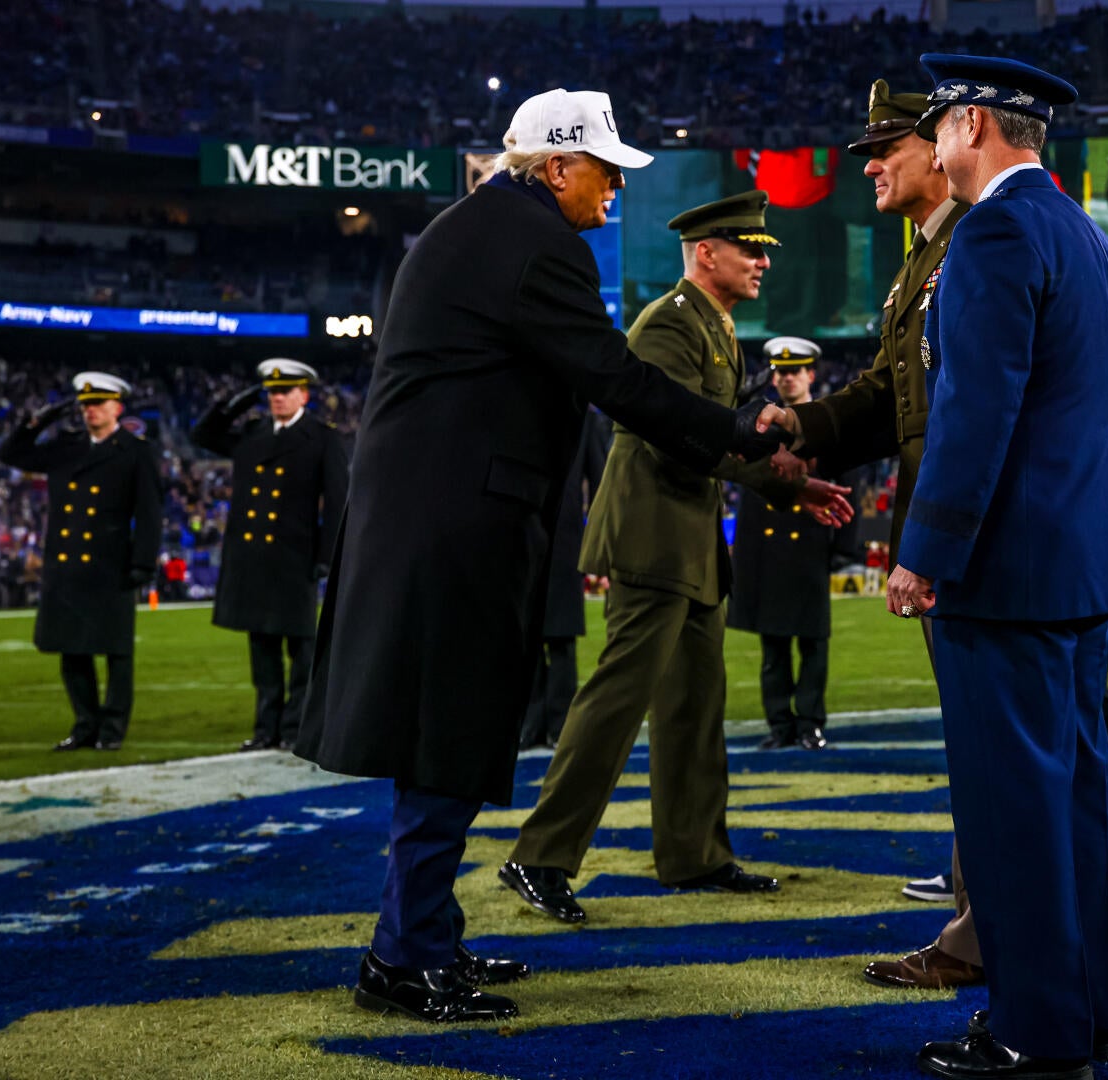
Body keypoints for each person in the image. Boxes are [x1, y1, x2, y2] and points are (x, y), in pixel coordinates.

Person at [291, 88, 791, 1025]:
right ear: (556, 165)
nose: (615, 190)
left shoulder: (482, 227)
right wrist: (738, 431)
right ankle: (404, 957)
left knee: (444, 733)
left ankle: (421, 934)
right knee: (448, 734)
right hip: (459, 521)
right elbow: (615, 377)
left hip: (436, 513)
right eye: (605, 170)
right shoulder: (533, 241)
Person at [887, 53, 1108, 1080]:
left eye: (940, 122)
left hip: (1003, 575)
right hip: (1078, 569)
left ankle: (1035, 1034)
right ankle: (1087, 1016)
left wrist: (925, 554)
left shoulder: (993, 232)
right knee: (1073, 803)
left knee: (1011, 810)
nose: (933, 139)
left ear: (974, 124)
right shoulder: (1091, 238)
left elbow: (974, 410)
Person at [498, 191, 854, 925]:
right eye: (749, 249)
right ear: (705, 253)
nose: (762, 262)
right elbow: (672, 430)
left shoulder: (713, 324)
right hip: (653, 534)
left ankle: (694, 853)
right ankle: (540, 856)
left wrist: (789, 484)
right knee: (617, 699)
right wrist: (780, 474)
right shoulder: (669, 322)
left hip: (687, 539)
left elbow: (710, 439)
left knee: (695, 701)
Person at [767, 78, 986, 983]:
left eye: (884, 150)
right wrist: (801, 426)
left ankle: (984, 934)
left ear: (937, 148)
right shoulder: (925, 254)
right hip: (952, 530)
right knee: (976, 740)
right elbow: (890, 397)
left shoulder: (975, 242)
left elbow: (967, 415)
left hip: (968, 540)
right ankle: (979, 915)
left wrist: (924, 547)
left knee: (987, 742)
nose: (868, 168)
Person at [192, 358, 350, 752]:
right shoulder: (253, 432)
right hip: (254, 559)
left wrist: (327, 556)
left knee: (301, 650)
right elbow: (203, 434)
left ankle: (295, 729)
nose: (277, 398)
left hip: (295, 559)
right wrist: (240, 403)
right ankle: (265, 729)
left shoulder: (322, 438)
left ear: (303, 395)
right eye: (272, 392)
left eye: (285, 391)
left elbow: (336, 503)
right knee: (262, 650)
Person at [0, 372, 160, 752]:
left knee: (116, 652)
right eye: (85, 405)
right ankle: (85, 725)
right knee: (72, 651)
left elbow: (149, 512)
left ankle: (112, 728)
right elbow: (10, 454)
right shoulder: (66, 446)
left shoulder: (136, 451)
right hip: (66, 564)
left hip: (111, 565)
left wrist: (143, 562)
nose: (91, 411)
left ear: (117, 407)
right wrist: (37, 423)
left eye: (98, 403)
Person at [730, 336, 837, 751]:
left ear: (811, 374)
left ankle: (809, 723)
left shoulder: (826, 421)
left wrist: (841, 551)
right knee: (772, 646)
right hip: (768, 549)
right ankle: (780, 724)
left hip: (810, 545)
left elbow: (844, 482)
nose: (788, 379)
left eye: (795, 372)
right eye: (782, 372)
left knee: (813, 642)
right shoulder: (758, 423)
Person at [520, 406, 611, 752]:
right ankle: (533, 725)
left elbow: (600, 482)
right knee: (527, 636)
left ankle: (557, 725)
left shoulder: (583, 416)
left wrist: (601, 548)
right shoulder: (522, 406)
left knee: (559, 636)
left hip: (562, 539)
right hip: (526, 534)